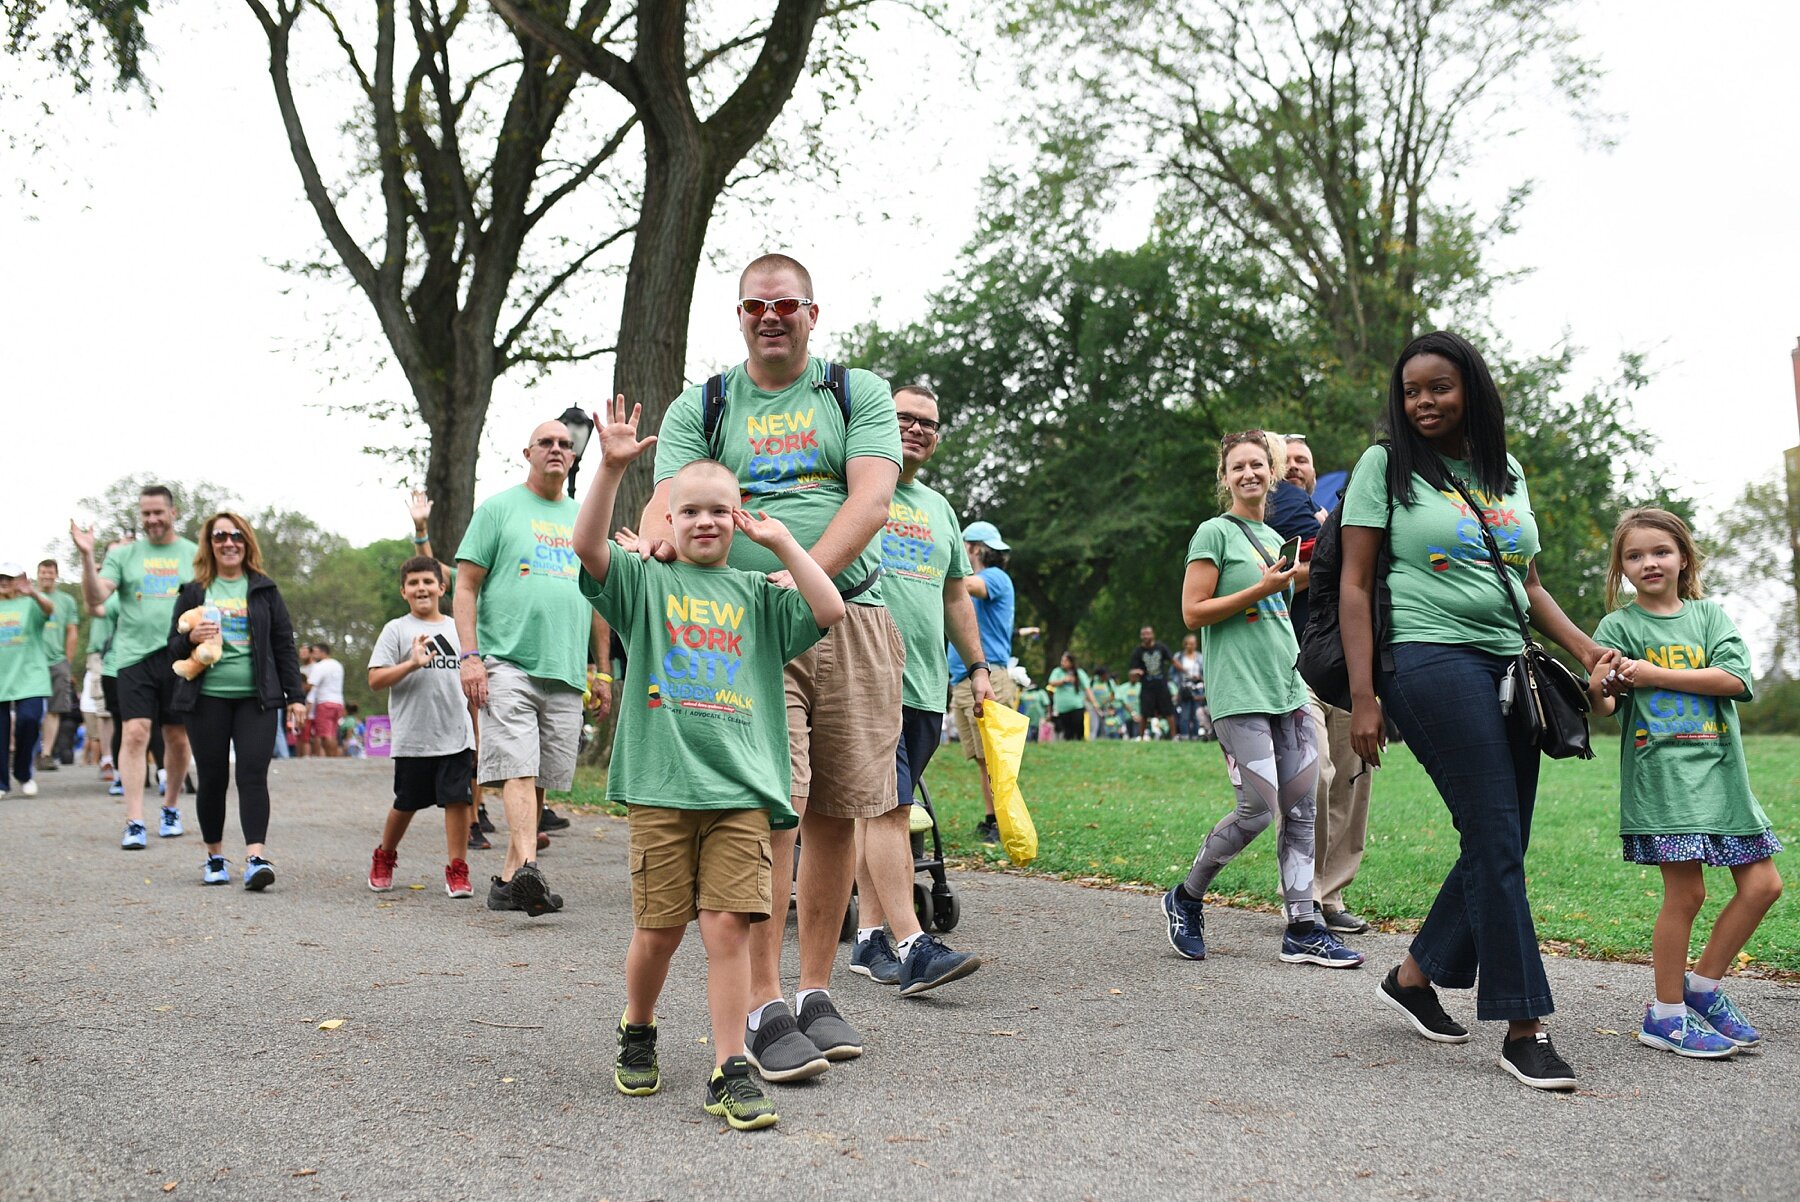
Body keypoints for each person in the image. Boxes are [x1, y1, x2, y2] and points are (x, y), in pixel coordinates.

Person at [634, 253, 904, 1079]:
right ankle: (759, 1004)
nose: (770, 317)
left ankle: (813, 989)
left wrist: (804, 567)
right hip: (741, 630)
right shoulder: (705, 403)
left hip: (851, 610)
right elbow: (665, 498)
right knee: (771, 804)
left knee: (839, 807)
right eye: (755, 306)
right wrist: (651, 545)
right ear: (740, 315)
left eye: (784, 305)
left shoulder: (856, 394)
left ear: (812, 313)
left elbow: (872, 499)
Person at [574, 397, 848, 1129]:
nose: (704, 522)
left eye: (719, 512)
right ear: (669, 521)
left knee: (728, 928)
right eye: (689, 511)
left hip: (740, 792)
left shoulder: (760, 596)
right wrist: (608, 469)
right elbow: (590, 550)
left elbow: (830, 610)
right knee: (659, 933)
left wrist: (786, 544)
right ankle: (639, 1024)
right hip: (664, 788)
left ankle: (730, 1067)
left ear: (739, 519)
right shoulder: (645, 585)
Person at [1342, 331, 1603, 1091]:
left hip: (1507, 660)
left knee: (1503, 837)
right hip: (1426, 658)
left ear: (1471, 391)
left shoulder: (1505, 469)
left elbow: (1527, 580)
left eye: (1440, 389)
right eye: (1412, 391)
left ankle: (1416, 976)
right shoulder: (1384, 465)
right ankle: (1525, 1026)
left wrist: (1587, 650)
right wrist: (1365, 696)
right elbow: (1355, 585)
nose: (1423, 402)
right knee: (1492, 834)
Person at [1587, 507, 1784, 1058]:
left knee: (1764, 886)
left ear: (1683, 558)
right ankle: (1666, 1014)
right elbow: (1604, 708)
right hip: (1664, 783)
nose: (1648, 562)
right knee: (1688, 892)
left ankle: (1701, 990)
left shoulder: (1709, 617)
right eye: (1634, 555)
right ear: (1621, 568)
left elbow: (1735, 679)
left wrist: (1653, 674)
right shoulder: (1618, 628)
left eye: (1660, 551)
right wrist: (1600, 683)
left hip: (1724, 781)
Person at [1165, 431, 1363, 971]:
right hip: (1239, 692)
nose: (1249, 474)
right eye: (1238, 468)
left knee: (1301, 812)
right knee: (1257, 809)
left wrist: (1303, 575)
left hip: (1288, 685)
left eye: (1258, 465)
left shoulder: (1275, 535)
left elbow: (1288, 598)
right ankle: (1185, 897)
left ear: (1271, 474)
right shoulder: (1215, 534)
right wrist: (1261, 588)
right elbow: (1193, 612)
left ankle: (1302, 927)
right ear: (1225, 478)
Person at [846, 383, 985, 991]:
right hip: (869, 671)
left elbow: (957, 593)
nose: (918, 429)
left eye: (929, 422)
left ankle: (868, 938)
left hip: (927, 685)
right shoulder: (854, 487)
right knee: (890, 806)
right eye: (905, 417)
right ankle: (911, 943)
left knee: (881, 812)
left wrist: (976, 666)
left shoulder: (938, 507)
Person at [456, 417, 611, 918]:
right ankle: (529, 868)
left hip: (566, 669)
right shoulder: (499, 509)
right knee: (517, 767)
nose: (557, 449)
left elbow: (599, 599)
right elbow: (465, 587)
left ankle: (508, 883)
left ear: (573, 458)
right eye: (546, 442)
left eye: (565, 444)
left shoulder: (583, 517)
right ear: (527, 453)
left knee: (541, 774)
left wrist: (602, 671)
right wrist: (470, 657)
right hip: (507, 661)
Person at [166, 513, 307, 890]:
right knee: (212, 778)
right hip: (206, 698)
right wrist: (191, 636)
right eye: (219, 537)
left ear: (247, 543)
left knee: (252, 775)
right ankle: (214, 857)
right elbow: (172, 648)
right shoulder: (194, 591)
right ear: (209, 544)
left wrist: (296, 697)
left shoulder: (264, 589)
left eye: (236, 536)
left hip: (256, 700)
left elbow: (283, 646)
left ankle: (255, 859)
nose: (228, 543)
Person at [1284, 433, 1376, 935]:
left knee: (1352, 779)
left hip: (1350, 666)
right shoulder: (1271, 515)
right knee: (1313, 774)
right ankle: (1301, 893)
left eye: (1304, 461)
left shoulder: (1340, 516)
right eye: (1288, 460)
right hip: (1292, 668)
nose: (1296, 467)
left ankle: (1332, 894)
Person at [72, 486, 197, 849]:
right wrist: (86, 556)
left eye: (158, 512)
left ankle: (171, 807)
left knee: (176, 737)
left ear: (173, 513)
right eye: (146, 514)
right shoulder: (125, 555)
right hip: (132, 657)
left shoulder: (193, 553)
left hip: (178, 655)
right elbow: (97, 597)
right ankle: (135, 819)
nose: (152, 520)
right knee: (136, 733)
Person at [366, 556, 478, 898]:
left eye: (428, 582)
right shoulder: (396, 630)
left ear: (442, 587)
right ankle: (385, 854)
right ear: (403, 592)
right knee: (407, 802)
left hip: (456, 733)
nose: (421, 588)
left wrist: (478, 734)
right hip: (414, 738)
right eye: (413, 583)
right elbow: (375, 679)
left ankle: (457, 870)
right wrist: (411, 663)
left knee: (458, 801)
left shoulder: (459, 629)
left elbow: (473, 684)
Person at [946, 521, 1017, 841]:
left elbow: (967, 587)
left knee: (995, 757)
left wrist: (932, 562)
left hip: (990, 678)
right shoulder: (969, 582)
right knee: (981, 759)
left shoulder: (995, 578)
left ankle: (1006, 823)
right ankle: (992, 818)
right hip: (965, 679)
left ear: (973, 548)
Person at [0, 561, 56, 799]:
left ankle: (23, 771)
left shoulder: (29, 603)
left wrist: (33, 592)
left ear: (17, 580)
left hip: (30, 675)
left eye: (8, 577)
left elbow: (48, 609)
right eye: (0, 577)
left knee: (29, 720)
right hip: (2, 677)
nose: (3, 582)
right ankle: (2, 783)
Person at [34, 560, 79, 771]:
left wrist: (67, 662)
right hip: (30, 661)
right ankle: (22, 751)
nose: (46, 576)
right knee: (27, 711)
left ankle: (46, 754)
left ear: (56, 575)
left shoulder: (66, 601)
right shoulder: (29, 597)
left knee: (55, 709)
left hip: (56, 659)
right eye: (43, 572)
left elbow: (71, 631)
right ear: (38, 574)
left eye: (50, 572)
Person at [1128, 627, 1176, 740]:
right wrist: (1136, 672)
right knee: (1144, 713)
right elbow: (1131, 671)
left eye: (1148, 634)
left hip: (1161, 685)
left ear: (1153, 634)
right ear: (1141, 636)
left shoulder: (1161, 647)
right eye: (1143, 634)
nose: (1146, 636)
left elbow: (1173, 661)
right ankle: (1141, 737)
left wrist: (1185, 671)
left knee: (1168, 711)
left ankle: (1174, 737)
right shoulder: (1138, 651)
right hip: (1147, 687)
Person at [1047, 651, 1097, 742]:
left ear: (1071, 662)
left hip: (1076, 705)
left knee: (1078, 727)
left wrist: (1094, 703)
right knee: (1067, 731)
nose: (1062, 663)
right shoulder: (1057, 672)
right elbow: (1051, 682)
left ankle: (1080, 746)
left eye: (1065, 661)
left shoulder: (1079, 673)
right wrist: (1063, 681)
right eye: (1062, 661)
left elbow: (1087, 689)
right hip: (1062, 707)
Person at [307, 644, 346, 757]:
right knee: (332, 733)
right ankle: (334, 758)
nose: (313, 654)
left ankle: (330, 759)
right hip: (338, 702)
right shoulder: (338, 665)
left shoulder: (320, 666)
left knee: (324, 734)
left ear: (323, 652)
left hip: (325, 702)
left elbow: (311, 684)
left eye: (315, 651)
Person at [1172, 633, 1208, 741]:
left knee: (1197, 714)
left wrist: (1200, 678)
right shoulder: (1178, 657)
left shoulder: (1200, 657)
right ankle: (1185, 736)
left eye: (1192, 644)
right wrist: (1177, 686)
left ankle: (1196, 736)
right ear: (1184, 645)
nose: (1190, 646)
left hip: (1198, 689)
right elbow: (1173, 674)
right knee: (1185, 714)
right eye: (1188, 644)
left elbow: (1205, 673)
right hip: (1184, 689)